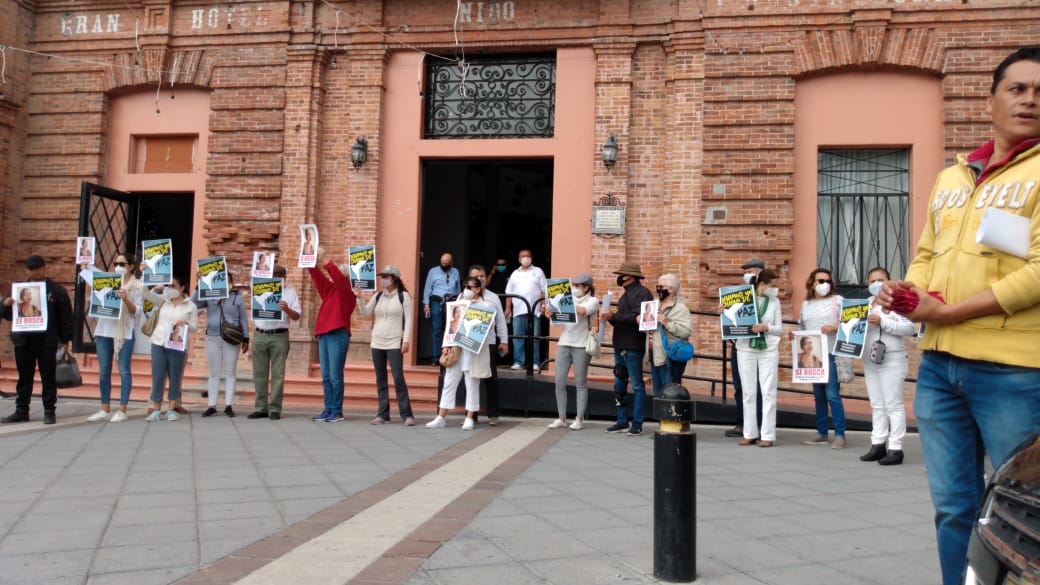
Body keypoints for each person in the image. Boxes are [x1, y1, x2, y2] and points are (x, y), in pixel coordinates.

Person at [876, 48, 1040, 585]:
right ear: (990, 98)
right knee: (953, 510)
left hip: (1014, 371)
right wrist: (906, 291)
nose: (1030, 100)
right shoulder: (954, 176)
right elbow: (926, 254)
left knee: (1025, 516)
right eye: (1017, 88)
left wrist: (947, 311)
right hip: (942, 370)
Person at [0, 255, 74, 425]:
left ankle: (49, 411)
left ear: (44, 268)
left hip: (47, 341)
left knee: (48, 377)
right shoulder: (18, 290)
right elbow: (7, 315)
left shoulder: (56, 290)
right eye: (32, 268)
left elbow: (65, 316)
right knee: (24, 377)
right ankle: (21, 410)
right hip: (23, 341)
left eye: (38, 268)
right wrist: (5, 304)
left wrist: (66, 339)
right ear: (27, 270)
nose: (36, 271)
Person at [859, 266, 915, 466]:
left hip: (892, 357)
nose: (876, 284)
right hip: (870, 357)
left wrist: (883, 322)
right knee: (877, 403)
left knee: (893, 404)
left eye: (881, 280)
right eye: (872, 280)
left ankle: (896, 447)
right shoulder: (863, 305)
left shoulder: (896, 302)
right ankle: (877, 443)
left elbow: (909, 327)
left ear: (889, 281)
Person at [426, 277, 495, 430]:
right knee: (449, 382)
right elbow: (450, 326)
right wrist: (446, 344)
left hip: (473, 351)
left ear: (478, 289)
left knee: (471, 384)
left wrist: (477, 310)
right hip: (457, 349)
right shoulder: (458, 304)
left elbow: (490, 327)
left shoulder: (487, 305)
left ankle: (469, 417)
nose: (467, 290)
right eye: (465, 286)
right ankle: (441, 416)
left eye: (470, 287)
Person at [83, 254, 142, 423]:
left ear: (131, 266)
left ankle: (122, 409)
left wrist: (125, 298)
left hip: (124, 331)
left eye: (122, 263)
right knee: (104, 371)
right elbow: (90, 299)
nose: (118, 266)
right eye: (115, 263)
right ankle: (104, 407)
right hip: (104, 330)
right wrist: (89, 281)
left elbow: (137, 312)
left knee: (124, 370)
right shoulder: (108, 280)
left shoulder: (137, 286)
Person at [792, 267, 847, 449]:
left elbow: (850, 323)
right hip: (814, 356)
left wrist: (834, 327)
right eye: (820, 281)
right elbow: (802, 326)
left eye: (827, 281)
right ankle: (822, 432)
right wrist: (796, 337)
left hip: (830, 353)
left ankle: (840, 434)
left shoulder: (838, 301)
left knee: (832, 394)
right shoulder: (806, 304)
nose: (823, 284)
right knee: (818, 395)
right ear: (812, 283)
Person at [356, 265, 416, 426]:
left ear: (394, 278)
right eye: (381, 276)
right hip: (377, 340)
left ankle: (407, 414)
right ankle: (383, 414)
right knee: (380, 378)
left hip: (395, 341)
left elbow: (409, 319)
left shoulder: (403, 296)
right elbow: (365, 313)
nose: (382, 279)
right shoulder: (378, 296)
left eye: (386, 276)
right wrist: (359, 298)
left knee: (398, 378)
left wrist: (406, 340)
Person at [601, 261, 653, 436]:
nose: (619, 278)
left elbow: (638, 318)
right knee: (619, 383)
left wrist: (614, 316)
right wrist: (610, 317)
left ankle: (637, 423)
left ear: (630, 276)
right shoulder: (626, 295)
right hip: (621, 343)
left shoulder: (643, 293)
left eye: (621, 275)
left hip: (633, 345)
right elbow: (624, 318)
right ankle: (622, 420)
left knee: (637, 385)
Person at [307, 247, 357, 422]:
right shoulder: (330, 290)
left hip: (338, 334)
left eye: (340, 274)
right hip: (324, 334)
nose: (335, 276)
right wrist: (310, 260)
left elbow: (335, 275)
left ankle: (337, 410)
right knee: (326, 376)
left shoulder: (348, 294)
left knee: (335, 376)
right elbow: (317, 276)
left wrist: (326, 258)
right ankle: (328, 408)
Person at [734, 269, 783, 447]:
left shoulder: (775, 302)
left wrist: (766, 327)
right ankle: (749, 432)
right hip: (746, 347)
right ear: (762, 284)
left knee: (768, 390)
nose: (775, 289)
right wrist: (725, 311)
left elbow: (780, 328)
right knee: (748, 391)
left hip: (768, 348)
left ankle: (768, 434)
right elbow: (733, 320)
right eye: (773, 286)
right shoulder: (744, 298)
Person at [543, 272, 598, 430]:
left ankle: (579, 418)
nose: (574, 288)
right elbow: (557, 323)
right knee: (559, 381)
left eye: (577, 286)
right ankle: (561, 417)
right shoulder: (568, 300)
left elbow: (582, 312)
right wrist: (551, 313)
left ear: (586, 287)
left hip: (581, 345)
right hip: (564, 342)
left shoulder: (592, 301)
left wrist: (564, 299)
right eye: (572, 286)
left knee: (580, 383)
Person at [192, 271, 249, 418]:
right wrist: (199, 285)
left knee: (230, 372)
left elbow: (243, 318)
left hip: (231, 337)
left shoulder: (237, 298)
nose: (226, 283)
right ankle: (212, 405)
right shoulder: (209, 294)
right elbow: (193, 305)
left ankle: (229, 405)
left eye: (228, 280)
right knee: (214, 373)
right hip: (212, 335)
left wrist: (246, 338)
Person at [248, 265, 301, 420]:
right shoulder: (259, 288)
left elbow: (297, 316)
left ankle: (275, 408)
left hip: (279, 335)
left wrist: (287, 310)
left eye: (279, 275)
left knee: (278, 373)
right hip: (260, 334)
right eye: (273, 274)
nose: (276, 277)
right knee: (259, 373)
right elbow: (252, 274)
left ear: (285, 277)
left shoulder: (290, 293)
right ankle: (260, 407)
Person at [143, 275, 198, 421]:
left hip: (177, 344)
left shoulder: (190, 306)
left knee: (175, 376)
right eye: (169, 285)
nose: (170, 288)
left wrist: (185, 324)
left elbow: (194, 328)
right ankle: (155, 409)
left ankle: (171, 408)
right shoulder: (163, 301)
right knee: (158, 376)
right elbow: (145, 294)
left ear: (182, 288)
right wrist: (153, 285)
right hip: (158, 342)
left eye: (173, 286)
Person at [725, 258, 765, 438]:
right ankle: (742, 423)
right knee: (740, 387)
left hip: (758, 348)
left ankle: (759, 424)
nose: (747, 275)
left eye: (751, 272)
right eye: (746, 272)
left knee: (756, 388)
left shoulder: (766, 296)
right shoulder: (738, 295)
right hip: (739, 347)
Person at [467, 265, 508, 426]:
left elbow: (500, 321)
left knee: (490, 378)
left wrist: (503, 341)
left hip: (488, 342)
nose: (480, 279)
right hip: (469, 343)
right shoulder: (463, 297)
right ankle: (471, 414)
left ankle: (493, 414)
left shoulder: (493, 297)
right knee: (471, 378)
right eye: (476, 277)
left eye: (482, 276)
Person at [650, 274, 693, 397]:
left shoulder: (680, 308)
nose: (658, 288)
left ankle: (671, 416)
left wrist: (666, 323)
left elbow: (686, 331)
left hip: (669, 356)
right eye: (657, 286)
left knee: (670, 393)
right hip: (654, 354)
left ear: (671, 289)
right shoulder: (653, 305)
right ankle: (660, 417)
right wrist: (641, 320)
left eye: (661, 286)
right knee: (657, 393)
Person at [504, 249, 547, 371]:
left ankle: (535, 362)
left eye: (528, 256)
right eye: (523, 256)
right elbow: (509, 292)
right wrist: (508, 308)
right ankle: (518, 362)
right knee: (518, 337)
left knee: (535, 338)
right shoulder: (515, 273)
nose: (526, 258)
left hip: (535, 310)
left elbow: (544, 290)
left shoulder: (538, 271)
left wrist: (543, 306)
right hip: (518, 311)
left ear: (532, 258)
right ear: (519, 259)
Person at [422, 252, 460, 365]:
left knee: (451, 330)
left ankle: (449, 357)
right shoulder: (433, 272)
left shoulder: (456, 272)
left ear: (451, 263)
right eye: (442, 263)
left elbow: (458, 289)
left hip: (452, 302)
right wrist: (426, 304)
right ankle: (435, 358)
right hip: (436, 302)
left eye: (447, 263)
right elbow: (427, 288)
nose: (444, 265)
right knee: (437, 329)